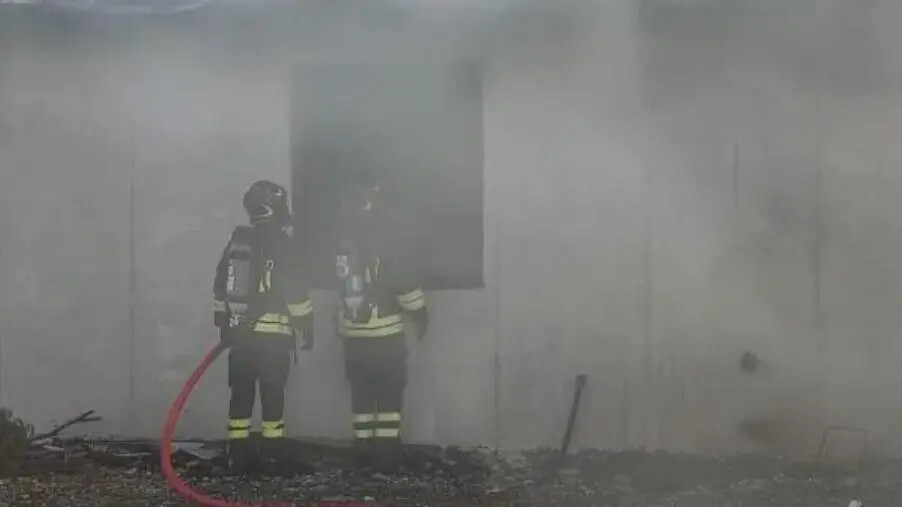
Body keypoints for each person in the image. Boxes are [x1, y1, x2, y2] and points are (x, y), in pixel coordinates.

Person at [213, 180, 313, 473]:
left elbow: (220, 287)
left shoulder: (237, 242)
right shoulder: (284, 245)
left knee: (241, 392)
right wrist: (306, 322)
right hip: (274, 337)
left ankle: (238, 454)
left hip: (240, 336)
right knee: (272, 393)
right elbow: (294, 292)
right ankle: (272, 454)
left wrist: (225, 325)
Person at [334, 173, 429, 469]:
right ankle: (386, 453)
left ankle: (362, 449)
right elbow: (404, 283)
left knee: (361, 393)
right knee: (389, 391)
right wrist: (420, 313)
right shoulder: (386, 240)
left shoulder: (344, 242)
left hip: (353, 336)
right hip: (385, 335)